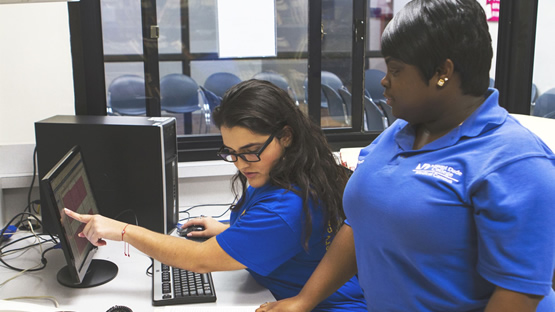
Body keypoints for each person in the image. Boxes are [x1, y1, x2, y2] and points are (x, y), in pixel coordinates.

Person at [256, 0, 555, 311]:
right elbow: (361, 223)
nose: (384, 80)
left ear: (442, 72)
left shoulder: (516, 163)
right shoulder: (400, 132)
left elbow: (517, 294)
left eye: (396, 70)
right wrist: (305, 300)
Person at [64, 79, 367, 311]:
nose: (240, 163)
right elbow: (285, 238)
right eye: (231, 152)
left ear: (286, 136)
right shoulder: (285, 172)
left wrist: (123, 230)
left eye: (250, 152)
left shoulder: (286, 205)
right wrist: (227, 230)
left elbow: (200, 260)